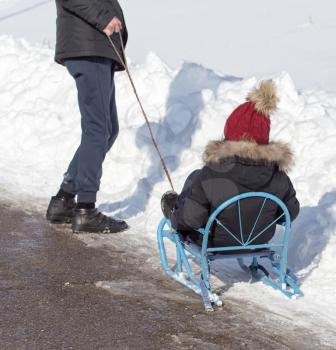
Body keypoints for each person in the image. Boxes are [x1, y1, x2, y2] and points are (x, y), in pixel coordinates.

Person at [161, 80, 300, 247]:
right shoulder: (278, 176)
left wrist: (174, 215)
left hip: (215, 242)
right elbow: (289, 214)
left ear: (230, 135)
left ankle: (175, 205)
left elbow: (191, 219)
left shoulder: (212, 173)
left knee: (195, 180)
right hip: (259, 240)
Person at [46, 0, 129, 233]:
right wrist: (104, 17)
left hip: (96, 47)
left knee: (108, 130)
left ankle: (64, 200)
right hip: (88, 47)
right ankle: (86, 209)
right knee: (98, 130)